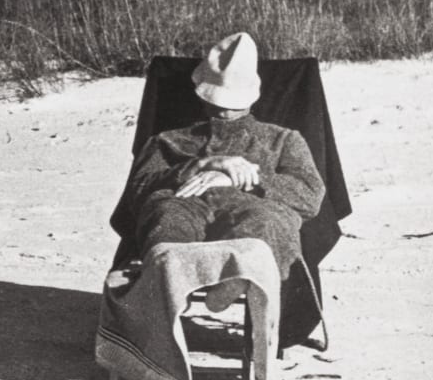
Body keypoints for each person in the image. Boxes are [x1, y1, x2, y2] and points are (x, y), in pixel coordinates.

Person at [120, 31, 325, 282]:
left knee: (265, 225)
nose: (226, 112)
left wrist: (242, 179)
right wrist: (201, 165)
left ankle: (236, 279)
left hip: (256, 209)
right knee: (168, 220)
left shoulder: (283, 139)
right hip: (183, 205)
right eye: (219, 105)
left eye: (233, 105)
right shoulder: (168, 140)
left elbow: (310, 195)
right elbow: (138, 190)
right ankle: (170, 281)